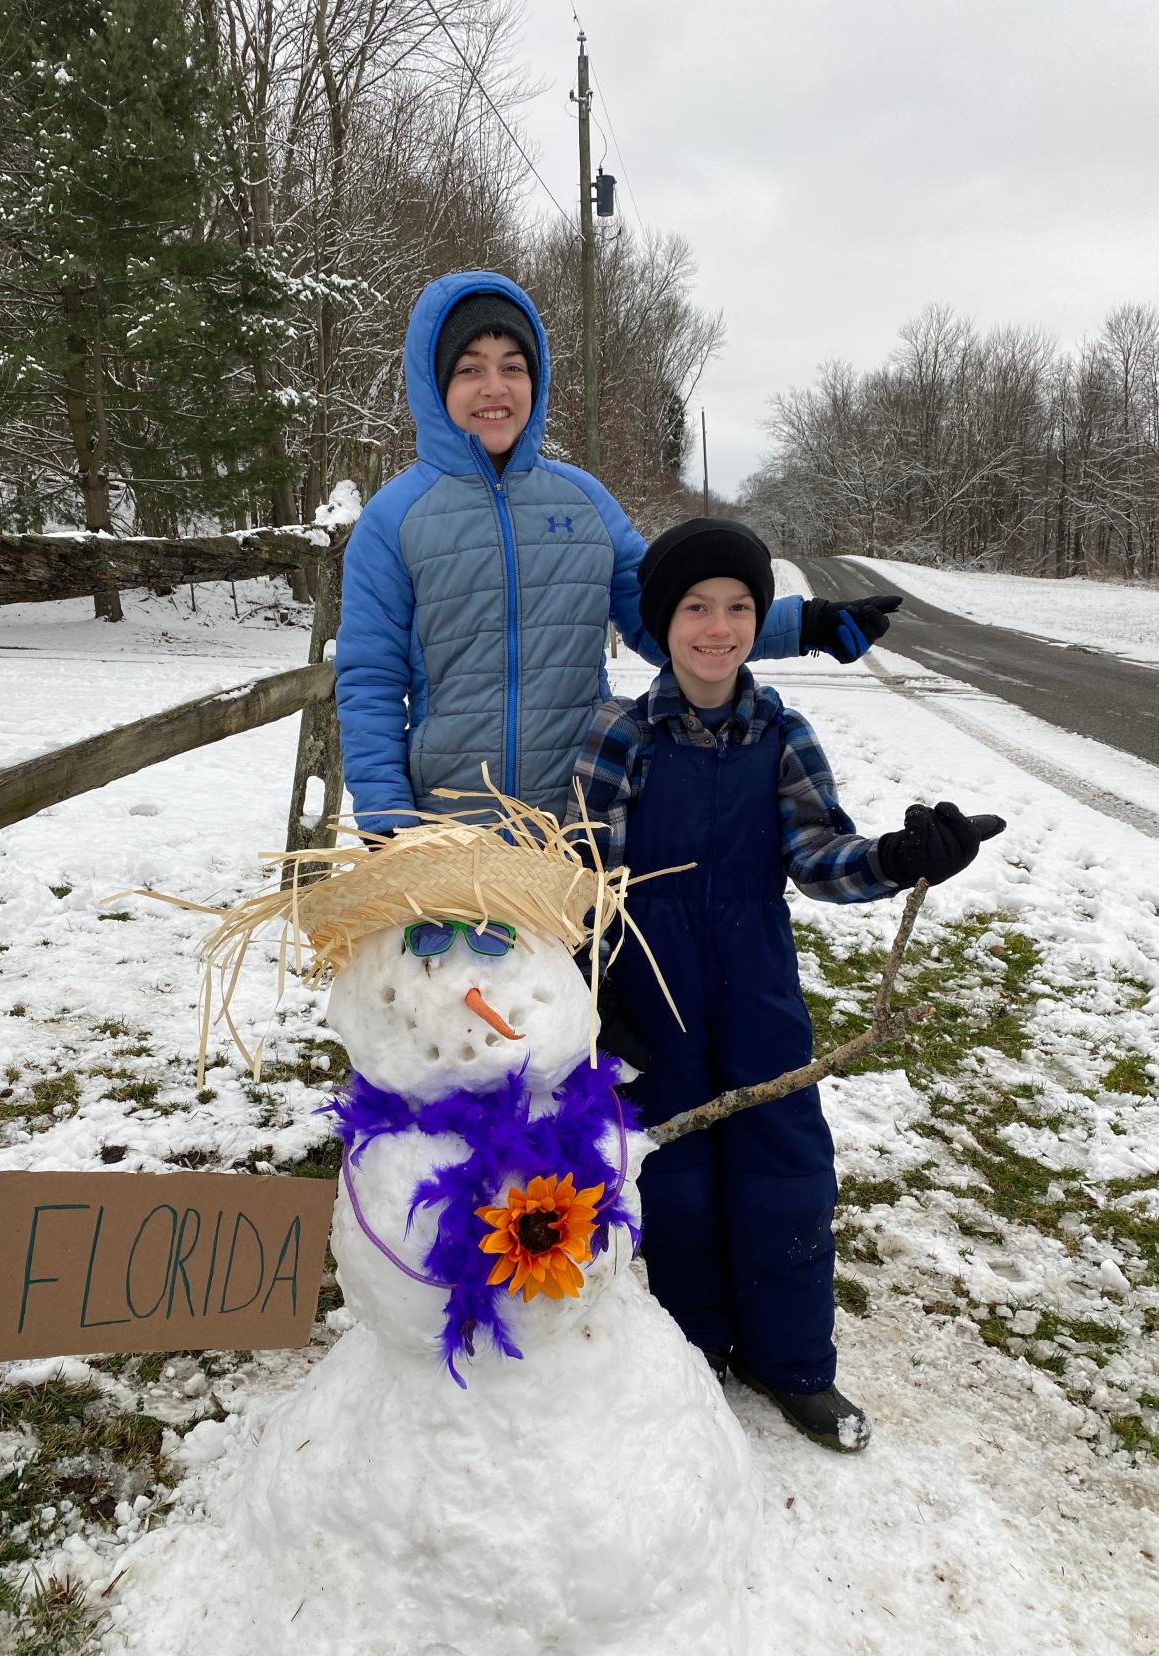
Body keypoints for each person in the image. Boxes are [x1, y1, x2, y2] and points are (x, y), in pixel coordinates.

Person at [568, 517, 1004, 1452]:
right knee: (672, 1177)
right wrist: (593, 1000)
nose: (717, 628)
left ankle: (794, 1362)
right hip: (654, 990)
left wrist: (899, 855)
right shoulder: (619, 734)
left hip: (760, 977)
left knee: (785, 1167)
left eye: (737, 608)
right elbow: (585, 878)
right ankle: (692, 1359)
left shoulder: (784, 732)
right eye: (695, 608)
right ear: (660, 622)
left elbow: (818, 855)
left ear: (758, 619)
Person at [334, 270, 902, 834]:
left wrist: (806, 624)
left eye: (513, 366)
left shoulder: (583, 502)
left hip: (583, 821)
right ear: (433, 385)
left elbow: (665, 618)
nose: (495, 388)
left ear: (537, 379)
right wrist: (387, 819)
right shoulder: (394, 519)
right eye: (469, 369)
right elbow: (371, 682)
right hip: (446, 832)